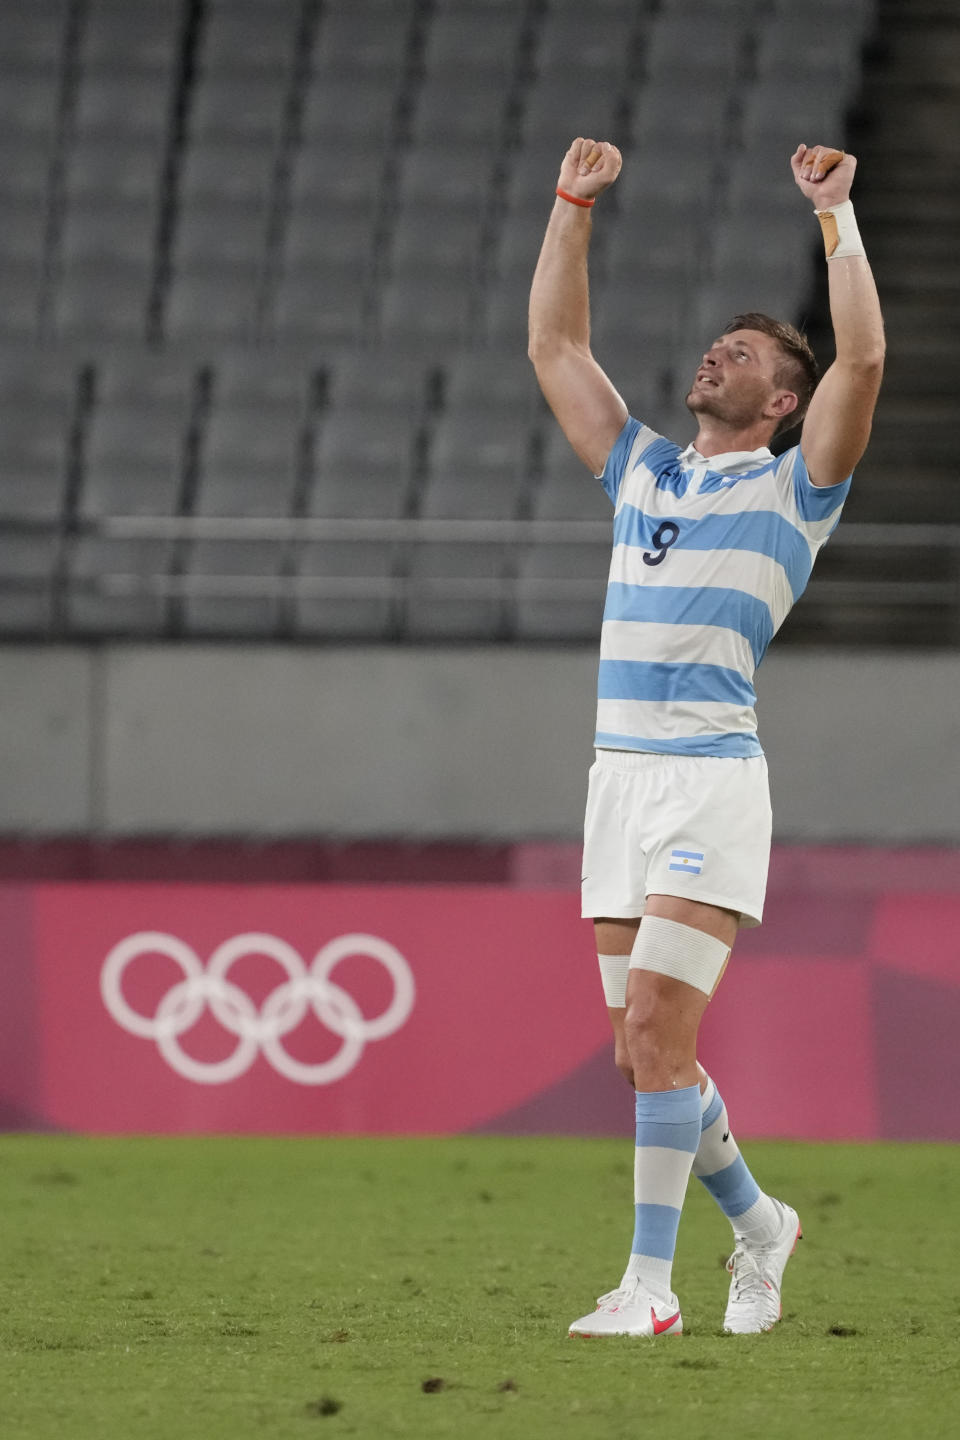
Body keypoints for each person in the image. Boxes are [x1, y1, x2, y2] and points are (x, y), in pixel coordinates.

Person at [528, 138, 884, 1337]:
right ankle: (762, 1224)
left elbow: (867, 356)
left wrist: (836, 218)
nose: (713, 355)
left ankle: (648, 1286)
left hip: (708, 787)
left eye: (743, 357)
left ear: (783, 403)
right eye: (715, 346)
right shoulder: (641, 470)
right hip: (616, 784)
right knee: (642, 1054)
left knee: (660, 1034)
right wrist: (573, 204)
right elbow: (557, 349)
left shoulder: (798, 490)